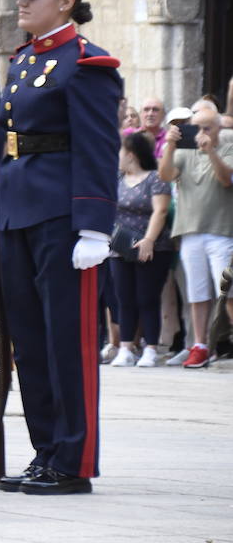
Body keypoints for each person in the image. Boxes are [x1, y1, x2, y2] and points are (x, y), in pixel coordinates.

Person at [0, 0, 122, 495]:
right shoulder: (23, 62)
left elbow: (98, 148)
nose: (22, 2)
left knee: (66, 340)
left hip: (63, 218)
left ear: (66, 1)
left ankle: (74, 459)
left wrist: (94, 227)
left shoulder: (88, 64)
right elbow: (5, 143)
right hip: (18, 211)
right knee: (29, 339)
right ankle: (45, 449)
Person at [158, 101, 233, 369]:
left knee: (227, 292)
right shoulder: (183, 150)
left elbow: (226, 179)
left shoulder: (228, 145)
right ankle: (200, 345)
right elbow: (165, 174)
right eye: (197, 127)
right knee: (198, 293)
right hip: (191, 231)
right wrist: (169, 144)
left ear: (217, 129)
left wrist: (211, 151)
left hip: (221, 231)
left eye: (207, 128)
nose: (201, 132)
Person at [109, 132, 174, 367]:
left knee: (147, 297)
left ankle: (151, 348)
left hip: (153, 247)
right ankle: (125, 347)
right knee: (123, 297)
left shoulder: (155, 178)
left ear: (131, 154)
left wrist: (148, 240)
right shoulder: (116, 178)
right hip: (120, 247)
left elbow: (160, 211)